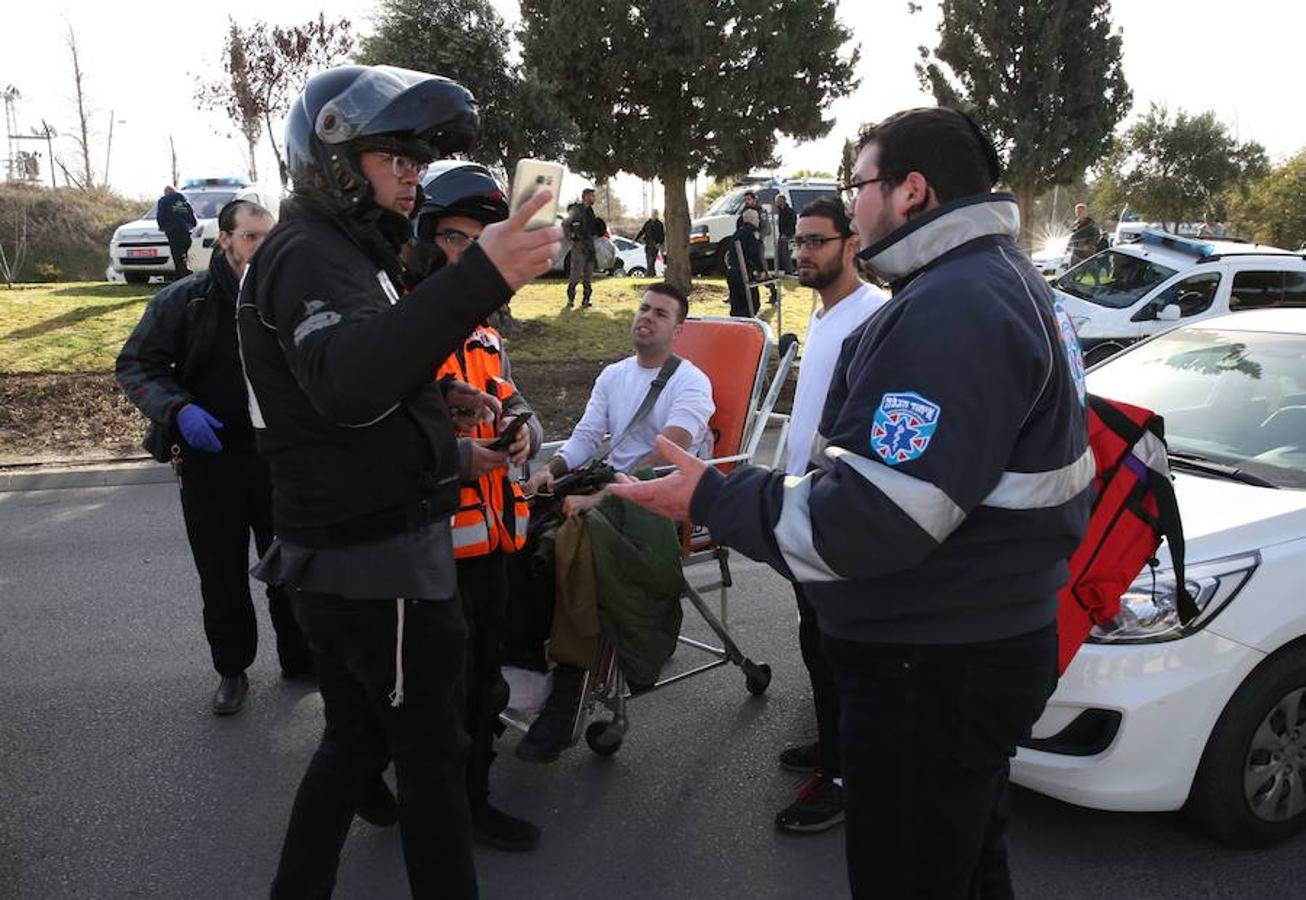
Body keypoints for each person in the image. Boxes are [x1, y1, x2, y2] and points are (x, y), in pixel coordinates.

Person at [612, 107, 1091, 898]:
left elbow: (872, 521)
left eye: (856, 184)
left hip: (932, 666)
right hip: (979, 643)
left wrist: (717, 495)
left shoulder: (953, 307)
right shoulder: (999, 279)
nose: (850, 203)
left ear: (912, 191)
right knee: (968, 862)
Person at [236, 64, 561, 899]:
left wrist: (435, 396)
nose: (414, 175)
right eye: (398, 157)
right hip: (378, 560)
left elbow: (351, 384)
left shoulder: (341, 250)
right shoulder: (311, 252)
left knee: (352, 743)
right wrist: (481, 275)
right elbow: (345, 381)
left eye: (420, 159)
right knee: (430, 761)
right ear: (336, 156)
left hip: (349, 551)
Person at [117, 199, 310, 716]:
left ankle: (300, 657)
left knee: (291, 564)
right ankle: (232, 669)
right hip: (211, 462)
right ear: (224, 239)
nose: (260, 248)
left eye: (269, 238)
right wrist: (177, 410)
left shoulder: (290, 300)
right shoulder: (187, 301)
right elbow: (136, 365)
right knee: (221, 573)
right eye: (250, 237)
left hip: (279, 459)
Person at [515, 282, 715, 762]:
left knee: (575, 545)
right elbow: (586, 436)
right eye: (643, 308)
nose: (646, 317)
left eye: (661, 314)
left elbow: (670, 451)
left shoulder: (691, 382)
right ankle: (520, 664)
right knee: (523, 531)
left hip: (658, 498)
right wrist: (552, 470)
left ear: (678, 329)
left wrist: (614, 491)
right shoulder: (613, 375)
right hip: (602, 487)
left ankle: (565, 696)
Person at [411, 161, 546, 851]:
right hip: (433, 549)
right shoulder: (407, 332)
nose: (467, 253)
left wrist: (522, 427)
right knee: (443, 696)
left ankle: (472, 799)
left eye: (476, 240)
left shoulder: (485, 334)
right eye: (456, 239)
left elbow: (508, 395)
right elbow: (391, 432)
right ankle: (442, 808)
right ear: (426, 242)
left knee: (484, 686)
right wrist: (461, 447)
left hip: (494, 540)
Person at [774, 197, 888, 835]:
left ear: (851, 244)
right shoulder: (822, 316)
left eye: (816, 241)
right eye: (798, 242)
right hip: (804, 501)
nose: (803, 253)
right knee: (815, 641)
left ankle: (846, 776)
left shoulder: (874, 315)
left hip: (839, 510)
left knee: (841, 648)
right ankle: (832, 744)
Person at [566, 187, 602, 308]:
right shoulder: (577, 210)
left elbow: (592, 229)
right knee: (575, 275)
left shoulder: (590, 211)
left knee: (588, 276)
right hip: (579, 246)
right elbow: (565, 224)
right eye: (592, 196)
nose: (594, 198)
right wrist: (571, 240)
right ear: (586, 196)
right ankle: (570, 299)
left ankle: (586, 300)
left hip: (590, 247)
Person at [726, 208, 764, 317]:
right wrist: (760, 270)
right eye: (757, 218)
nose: (758, 221)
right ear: (752, 219)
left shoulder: (737, 233)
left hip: (732, 272)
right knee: (753, 304)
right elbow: (754, 254)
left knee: (736, 306)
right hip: (744, 272)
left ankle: (735, 328)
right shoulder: (752, 233)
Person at [156, 185, 197, 278]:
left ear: (166, 193)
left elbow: (160, 215)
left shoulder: (164, 200)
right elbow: (193, 217)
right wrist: (190, 225)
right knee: (184, 253)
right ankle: (184, 273)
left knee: (177, 254)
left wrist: (161, 226)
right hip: (186, 231)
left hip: (173, 231)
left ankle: (181, 275)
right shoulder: (184, 201)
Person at [633, 209, 665, 276]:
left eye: (655, 214)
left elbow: (662, 235)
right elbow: (642, 231)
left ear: (657, 215)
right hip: (648, 244)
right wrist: (635, 239)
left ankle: (647, 274)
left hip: (655, 245)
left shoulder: (659, 224)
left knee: (651, 261)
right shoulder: (648, 223)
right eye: (653, 214)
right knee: (648, 261)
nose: (653, 215)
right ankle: (652, 274)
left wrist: (659, 243)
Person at [774, 194, 797, 275]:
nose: (775, 203)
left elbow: (792, 223)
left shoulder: (789, 211)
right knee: (781, 253)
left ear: (782, 201)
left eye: (777, 201)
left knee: (785, 254)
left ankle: (790, 270)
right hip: (782, 235)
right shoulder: (781, 211)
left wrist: (786, 234)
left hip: (788, 235)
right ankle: (789, 269)